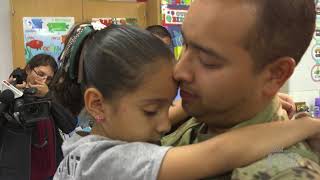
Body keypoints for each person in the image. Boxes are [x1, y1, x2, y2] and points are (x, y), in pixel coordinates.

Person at [50, 23, 320, 180]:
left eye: (166, 106)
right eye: (151, 111)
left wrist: (258, 98)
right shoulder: (109, 162)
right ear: (97, 104)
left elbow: (173, 114)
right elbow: (220, 153)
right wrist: (307, 126)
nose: (164, 123)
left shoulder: (87, 146)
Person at [161, 0, 320, 179]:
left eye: (207, 61)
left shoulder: (286, 173)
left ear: (275, 74)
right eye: (186, 44)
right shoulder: (199, 113)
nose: (179, 71)